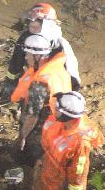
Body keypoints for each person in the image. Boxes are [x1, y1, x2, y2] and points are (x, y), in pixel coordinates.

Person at [18, 91, 103, 190]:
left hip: (65, 181)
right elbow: (49, 143)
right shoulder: (56, 120)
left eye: (57, 108)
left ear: (67, 114)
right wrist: (42, 159)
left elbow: (79, 171)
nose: (53, 109)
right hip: (48, 167)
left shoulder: (80, 142)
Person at [10, 33, 72, 165]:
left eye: (28, 54)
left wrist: (22, 137)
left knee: (32, 159)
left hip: (41, 128)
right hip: (56, 123)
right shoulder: (57, 69)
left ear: (38, 56)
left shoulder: (40, 82)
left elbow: (32, 116)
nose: (26, 58)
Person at [2, 2, 80, 97]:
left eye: (38, 25)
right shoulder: (25, 37)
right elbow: (15, 64)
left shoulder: (60, 44)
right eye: (31, 24)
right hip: (31, 81)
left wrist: (70, 96)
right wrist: (9, 88)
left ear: (48, 25)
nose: (33, 29)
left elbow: (71, 72)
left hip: (54, 87)